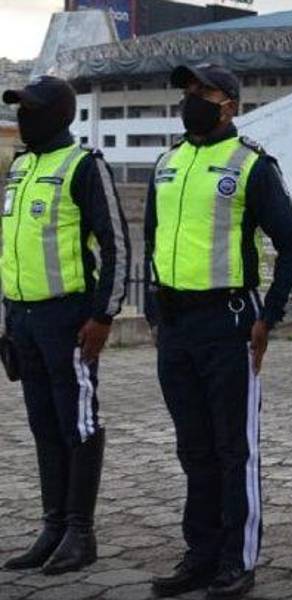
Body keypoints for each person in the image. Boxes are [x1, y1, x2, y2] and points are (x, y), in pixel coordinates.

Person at [145, 63, 292, 599]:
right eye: (188, 91)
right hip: (175, 327)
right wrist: (153, 310)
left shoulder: (251, 165)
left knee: (232, 448)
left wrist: (270, 314)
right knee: (192, 447)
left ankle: (237, 561)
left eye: (204, 92)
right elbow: (152, 240)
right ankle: (200, 553)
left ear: (230, 104)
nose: (192, 98)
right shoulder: (166, 162)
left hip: (229, 324)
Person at [1, 75, 129, 575]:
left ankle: (80, 531)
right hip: (24, 318)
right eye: (18, 109)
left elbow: (117, 245)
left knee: (77, 423)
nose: (22, 117)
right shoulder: (21, 166)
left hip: (67, 318)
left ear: (57, 114)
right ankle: (52, 526)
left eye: (30, 109)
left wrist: (103, 315)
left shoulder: (84, 165)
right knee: (43, 424)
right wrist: (9, 317)